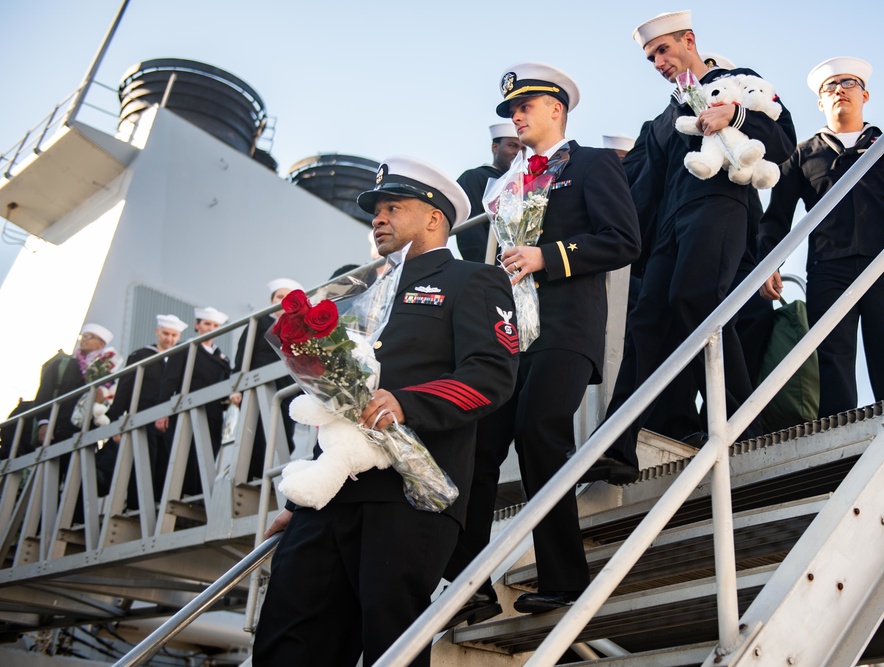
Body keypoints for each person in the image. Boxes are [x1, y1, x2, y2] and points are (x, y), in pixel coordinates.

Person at [252, 156, 519, 667]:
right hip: (329, 496)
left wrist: (408, 404)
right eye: (375, 209)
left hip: (408, 495)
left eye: (393, 207)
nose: (378, 218)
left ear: (435, 218)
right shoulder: (358, 294)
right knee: (286, 639)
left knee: (389, 646)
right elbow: (338, 396)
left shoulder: (473, 281)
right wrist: (305, 489)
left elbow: (491, 376)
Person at [443, 62, 641, 624]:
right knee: (479, 447)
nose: (516, 117)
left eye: (524, 107)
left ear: (557, 108)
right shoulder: (504, 185)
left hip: (566, 327)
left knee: (538, 430)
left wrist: (546, 258)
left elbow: (623, 240)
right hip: (509, 332)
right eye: (510, 110)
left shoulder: (594, 164)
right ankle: (468, 585)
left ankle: (564, 579)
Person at [590, 10, 796, 483]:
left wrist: (736, 114)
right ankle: (616, 446)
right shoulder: (664, 117)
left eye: (663, 50)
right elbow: (640, 188)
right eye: (650, 57)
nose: (658, 61)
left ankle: (743, 421)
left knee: (695, 301)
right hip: (669, 226)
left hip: (721, 204)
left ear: (689, 40)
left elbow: (785, 140)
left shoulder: (740, 81)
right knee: (646, 320)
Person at [758, 56, 884, 416]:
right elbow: (776, 218)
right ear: (820, 101)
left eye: (849, 83)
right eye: (831, 86)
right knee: (832, 362)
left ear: (865, 95)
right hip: (829, 269)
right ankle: (836, 439)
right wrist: (769, 264)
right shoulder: (801, 154)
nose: (840, 90)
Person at [100, 314, 188, 505]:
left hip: (169, 419)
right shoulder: (141, 356)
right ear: (158, 332)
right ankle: (136, 505)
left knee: (166, 463)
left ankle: (159, 504)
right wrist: (115, 421)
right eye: (165, 333)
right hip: (143, 416)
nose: (169, 339)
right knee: (142, 462)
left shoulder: (181, 358)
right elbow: (125, 388)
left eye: (174, 335)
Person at [230, 279, 303, 480]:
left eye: (289, 298)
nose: (283, 301)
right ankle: (253, 476)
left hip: (286, 388)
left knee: (284, 432)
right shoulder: (259, 321)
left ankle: (276, 476)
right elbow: (243, 353)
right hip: (259, 386)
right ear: (272, 300)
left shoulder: (298, 329)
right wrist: (237, 387)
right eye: (280, 297)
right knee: (257, 433)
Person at [155, 307, 231, 497]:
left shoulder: (222, 358)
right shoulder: (185, 349)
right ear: (197, 325)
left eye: (215, 325)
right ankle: (178, 497)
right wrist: (162, 411)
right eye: (207, 323)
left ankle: (199, 497)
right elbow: (169, 380)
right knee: (183, 456)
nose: (211, 328)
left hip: (212, 415)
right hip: (186, 413)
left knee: (205, 457)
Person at [33, 323, 116, 449]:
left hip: (85, 436)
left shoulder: (105, 373)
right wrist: (44, 423)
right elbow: (44, 394)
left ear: (101, 344)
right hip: (55, 432)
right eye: (83, 336)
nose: (84, 339)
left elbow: (111, 403)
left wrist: (100, 402)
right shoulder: (62, 364)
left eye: (89, 336)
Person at [455, 121, 525, 263]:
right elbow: (470, 230)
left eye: (523, 149)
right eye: (512, 145)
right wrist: (485, 268)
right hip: (491, 264)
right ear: (495, 147)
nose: (518, 152)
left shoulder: (527, 185)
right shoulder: (474, 177)